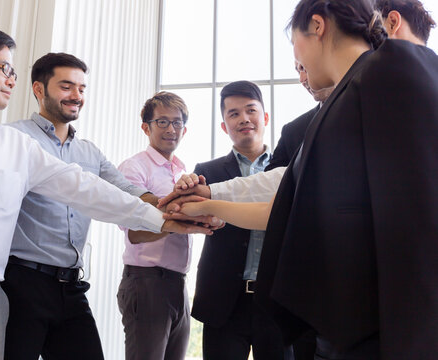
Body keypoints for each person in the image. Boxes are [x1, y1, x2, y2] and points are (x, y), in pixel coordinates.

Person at [0, 27, 210, 360]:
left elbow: (85, 188)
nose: (11, 79)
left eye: (13, 71)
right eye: (3, 68)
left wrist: (164, 219)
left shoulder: (15, 146)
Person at [170, 0, 438, 358]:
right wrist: (205, 202)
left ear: (317, 26)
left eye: (295, 44)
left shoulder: (397, 66)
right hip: (351, 323)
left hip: (399, 322)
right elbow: (289, 197)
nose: (300, 64)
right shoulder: (338, 104)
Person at [1, 53, 159, 360]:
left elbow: (129, 192)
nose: (77, 96)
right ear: (39, 89)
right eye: (66, 86)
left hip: (71, 287)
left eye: (82, 88)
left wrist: (175, 203)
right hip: (22, 285)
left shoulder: (90, 152)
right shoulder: (14, 138)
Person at [189, 81, 289, 360]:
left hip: (277, 300)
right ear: (224, 126)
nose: (243, 119)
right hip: (223, 303)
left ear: (265, 117)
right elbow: (195, 221)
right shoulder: (205, 173)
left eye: (250, 110)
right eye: (233, 114)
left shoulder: (287, 168)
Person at [117, 91, 192, 360]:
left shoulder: (181, 172)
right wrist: (183, 220)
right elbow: (134, 232)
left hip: (177, 283)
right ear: (145, 127)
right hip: (146, 283)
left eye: (177, 122)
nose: (171, 129)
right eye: (162, 122)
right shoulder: (134, 168)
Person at [265, 64, 333, 171]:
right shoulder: (292, 131)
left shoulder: (365, 109)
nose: (301, 79)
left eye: (304, 68)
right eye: (298, 72)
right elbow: (272, 183)